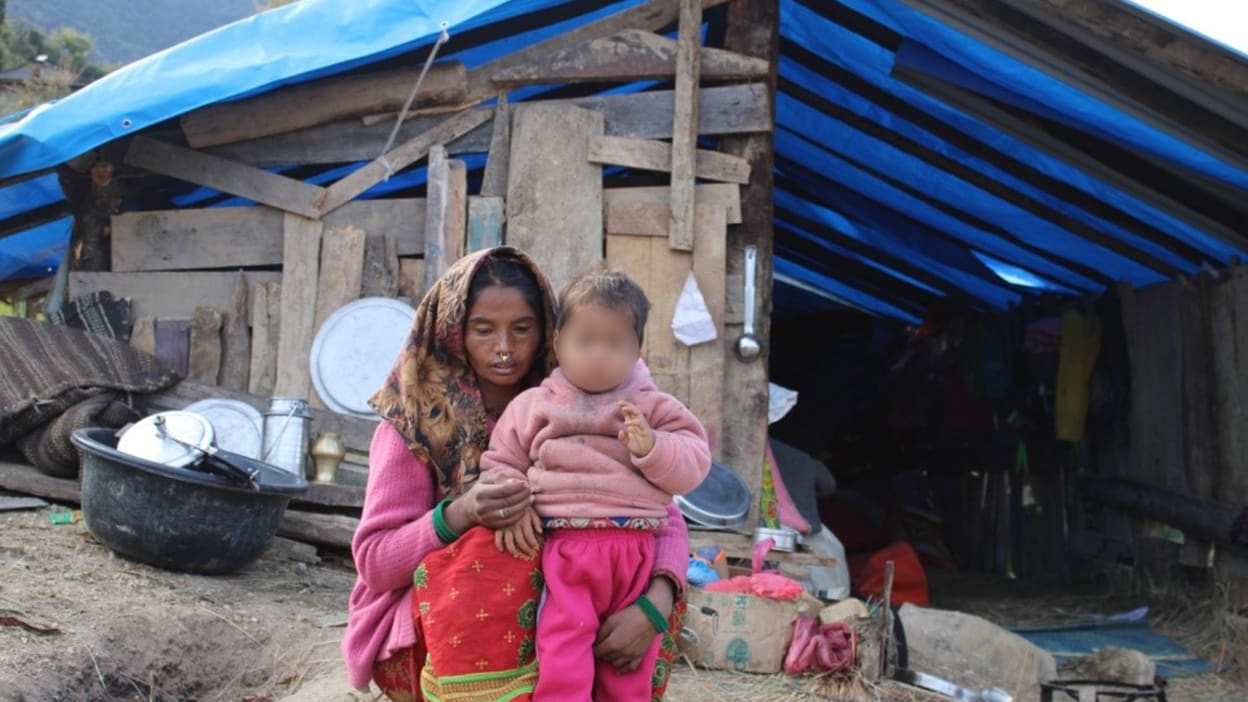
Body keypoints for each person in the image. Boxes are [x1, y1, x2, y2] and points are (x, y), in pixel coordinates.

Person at [341, 247, 691, 702]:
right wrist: (460, 513)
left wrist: (657, 602)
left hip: (572, 609)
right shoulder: (415, 425)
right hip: (429, 635)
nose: (504, 348)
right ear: (452, 332)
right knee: (495, 548)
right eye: (483, 330)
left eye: (522, 329)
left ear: (551, 333)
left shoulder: (583, 395)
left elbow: (662, 513)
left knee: (631, 558)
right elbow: (374, 562)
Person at [482, 268, 711, 701]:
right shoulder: (535, 405)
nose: (599, 356)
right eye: (585, 341)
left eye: (615, 344)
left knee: (627, 671)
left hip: (636, 552)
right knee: (562, 653)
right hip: (566, 550)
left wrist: (654, 447)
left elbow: (694, 464)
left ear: (638, 349)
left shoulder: (653, 408)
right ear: (558, 343)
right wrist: (516, 503)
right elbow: (501, 461)